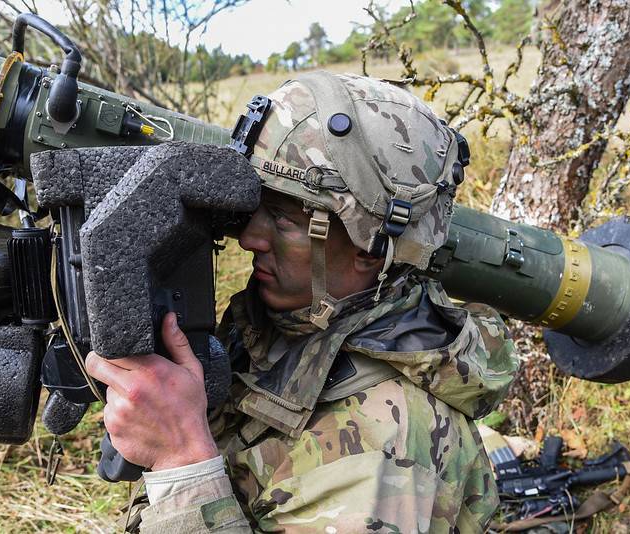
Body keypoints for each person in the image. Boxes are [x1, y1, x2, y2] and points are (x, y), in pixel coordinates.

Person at [85, 71, 519, 533]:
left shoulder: (383, 452)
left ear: (367, 249)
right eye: (254, 209)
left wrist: (181, 458)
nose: (250, 238)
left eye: (284, 219)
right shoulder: (287, 323)